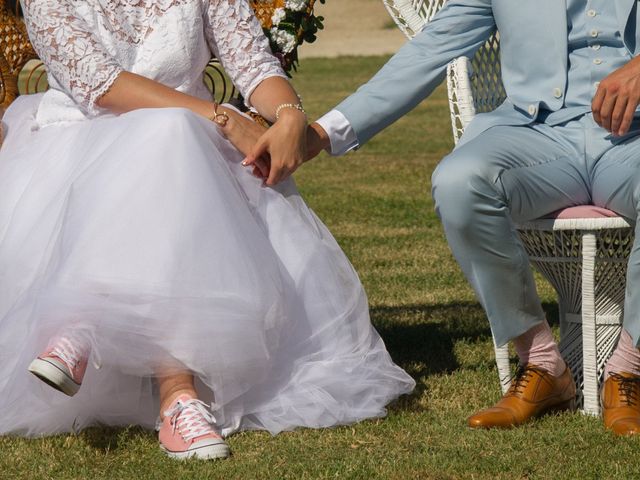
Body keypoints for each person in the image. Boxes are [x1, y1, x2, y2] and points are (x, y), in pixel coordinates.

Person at [0, 0, 415, 460]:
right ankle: (178, 395)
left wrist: (291, 115)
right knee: (168, 135)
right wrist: (219, 116)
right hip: (78, 151)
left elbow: (253, 63)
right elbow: (101, 86)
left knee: (171, 141)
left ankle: (85, 316)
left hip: (189, 154)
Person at [251, 0, 640, 435]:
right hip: (538, 135)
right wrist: (322, 134)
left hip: (633, 141)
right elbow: (431, 49)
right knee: (459, 180)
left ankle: (629, 370)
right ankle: (543, 363)